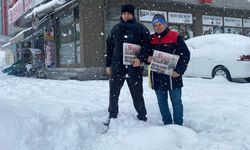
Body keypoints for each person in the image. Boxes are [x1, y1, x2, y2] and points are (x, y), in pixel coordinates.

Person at [105, 4, 150, 122]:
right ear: (121, 14)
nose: (126, 15)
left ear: (132, 14)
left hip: (133, 68)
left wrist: (140, 58)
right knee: (113, 94)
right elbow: (109, 47)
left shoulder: (140, 28)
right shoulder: (115, 28)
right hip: (117, 67)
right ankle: (112, 115)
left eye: (128, 13)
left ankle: (142, 116)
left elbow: (147, 46)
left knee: (137, 94)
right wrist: (108, 65)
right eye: (124, 13)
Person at [147, 14, 190, 125]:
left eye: (160, 24)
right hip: (157, 76)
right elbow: (144, 53)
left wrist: (179, 70)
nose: (158, 27)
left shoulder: (174, 36)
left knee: (176, 102)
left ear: (165, 24)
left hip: (173, 76)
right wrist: (147, 57)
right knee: (161, 102)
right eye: (155, 25)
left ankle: (178, 125)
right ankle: (167, 125)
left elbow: (185, 54)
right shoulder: (151, 39)